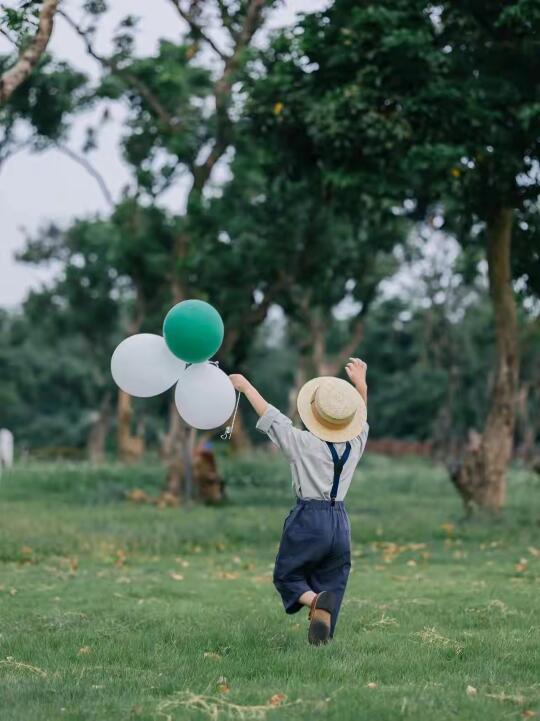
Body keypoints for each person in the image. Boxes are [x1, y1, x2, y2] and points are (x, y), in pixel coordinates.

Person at [229, 358, 369, 645]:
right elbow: (361, 421)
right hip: (340, 522)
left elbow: (272, 417)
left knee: (287, 576)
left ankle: (316, 601)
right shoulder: (355, 444)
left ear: (313, 415)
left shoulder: (303, 443)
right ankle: (323, 636)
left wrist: (245, 386)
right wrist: (361, 385)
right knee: (334, 579)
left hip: (309, 517)